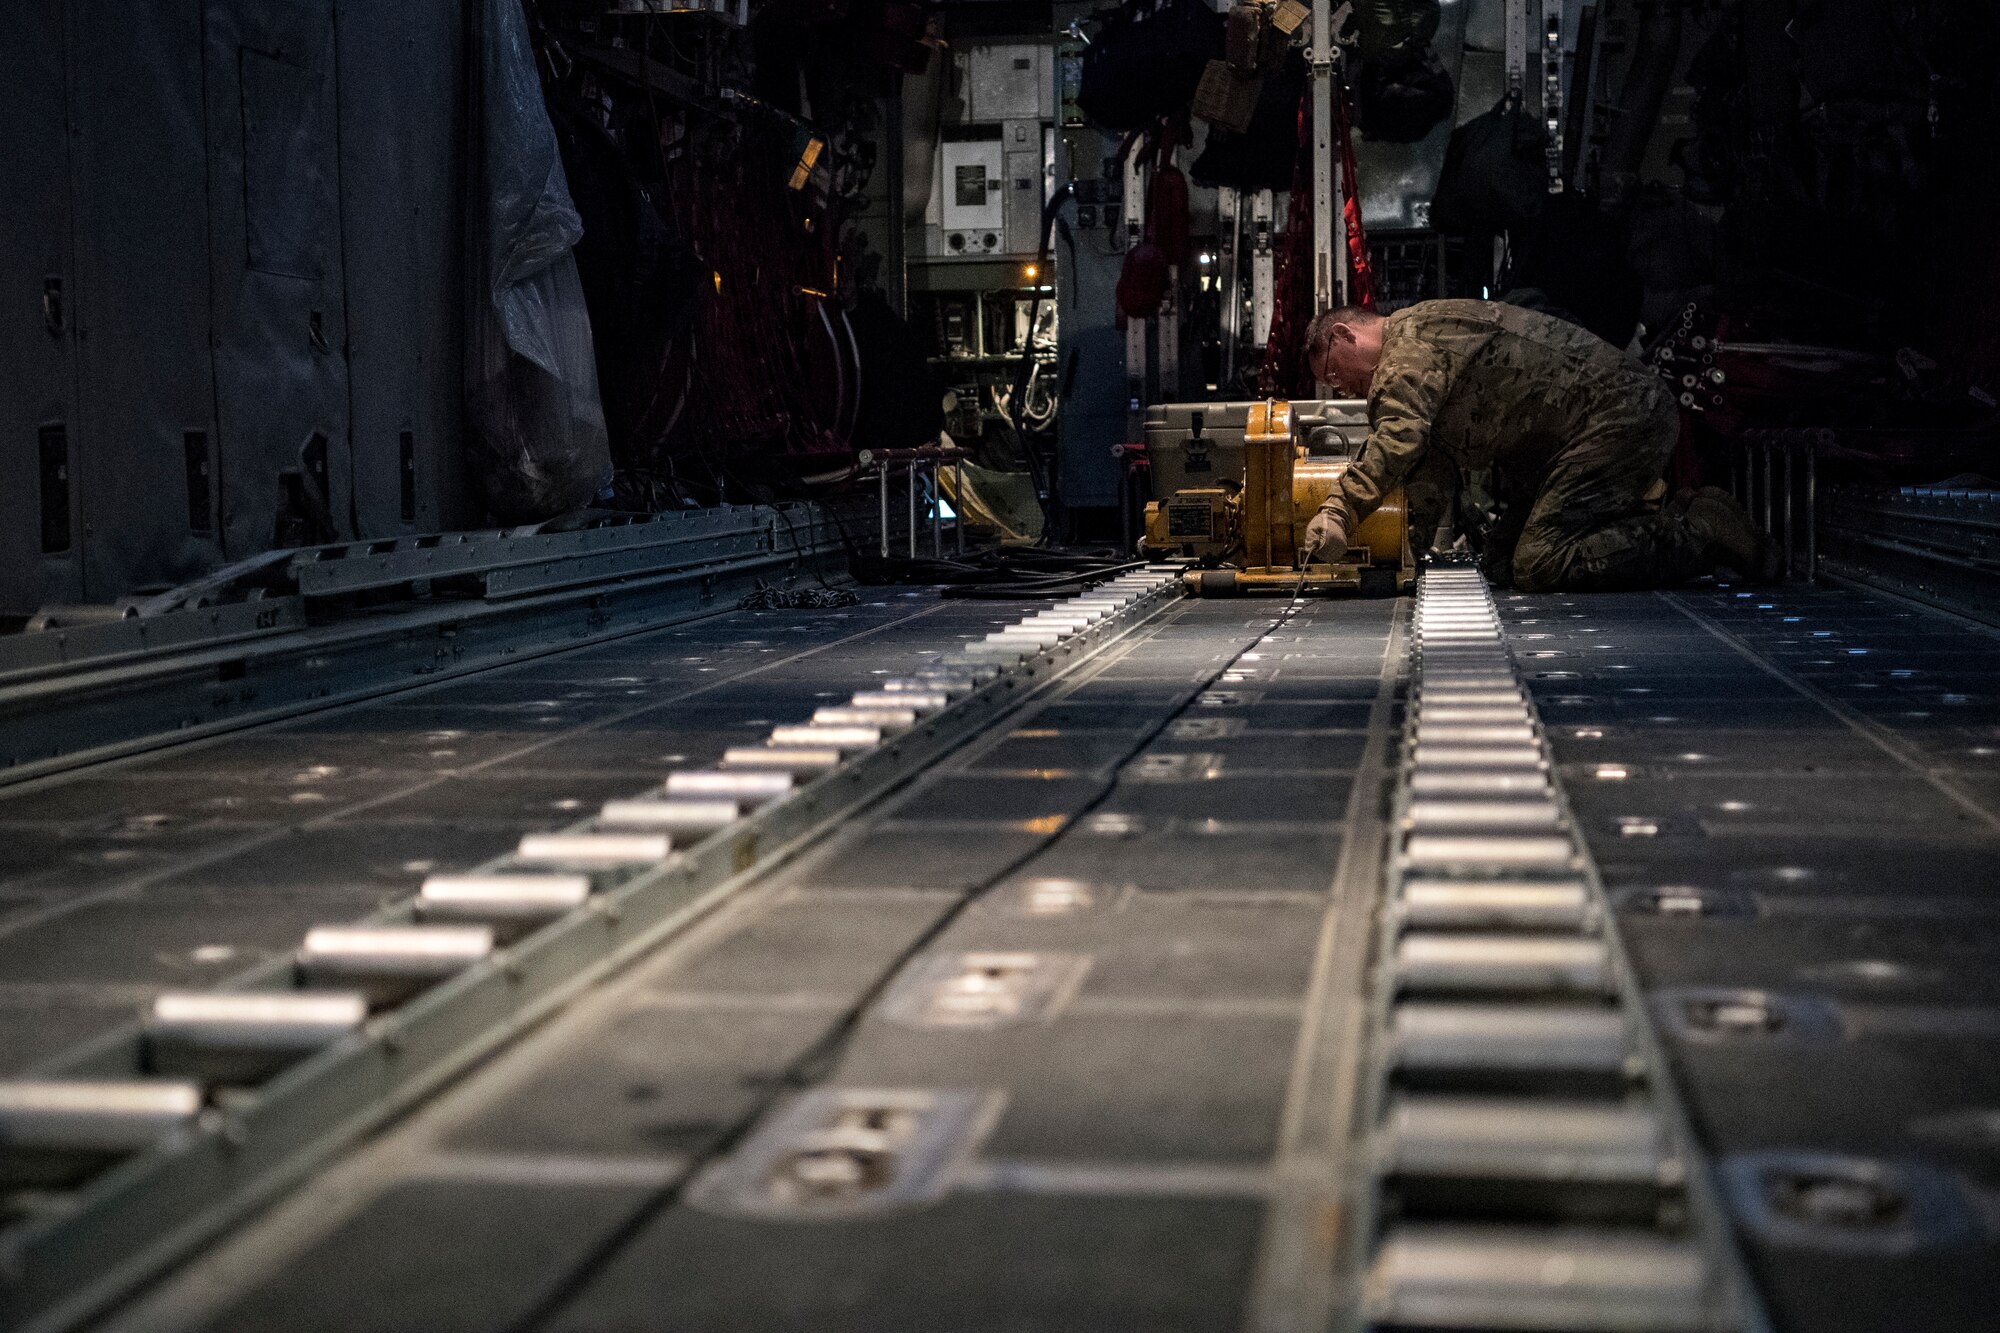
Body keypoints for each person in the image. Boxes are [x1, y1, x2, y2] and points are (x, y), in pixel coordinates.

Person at [1298, 299, 1778, 590]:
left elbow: (1399, 439)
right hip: (1596, 427)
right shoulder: (1419, 342)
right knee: (1503, 565)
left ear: (1345, 334)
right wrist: (1399, 553)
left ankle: (1696, 532)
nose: (1341, 388)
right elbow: (1433, 468)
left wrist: (1339, 510)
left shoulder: (1406, 353)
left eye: (1335, 373)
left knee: (1539, 562)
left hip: (1618, 418)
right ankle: (1669, 518)